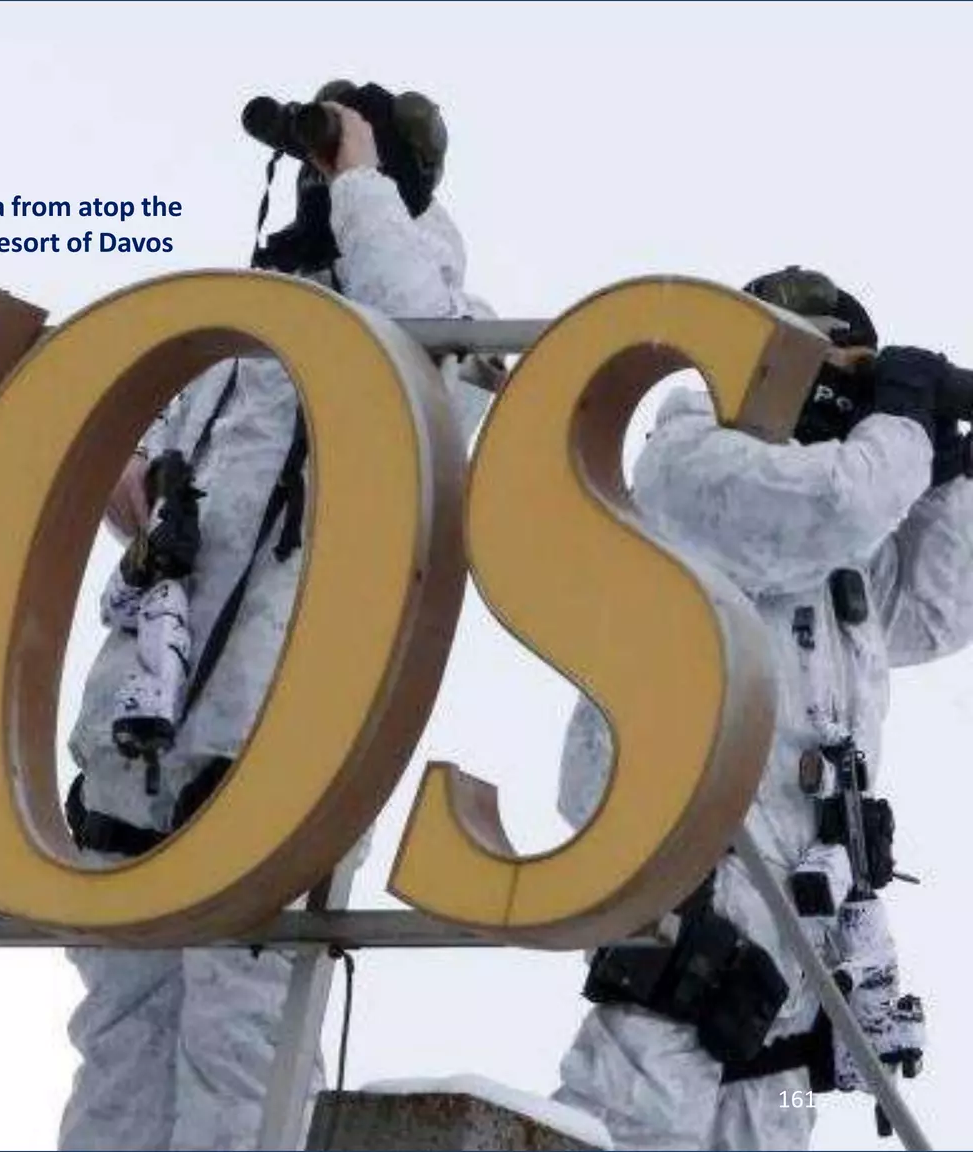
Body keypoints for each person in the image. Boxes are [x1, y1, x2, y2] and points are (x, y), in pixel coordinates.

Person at [56, 81, 498, 1152]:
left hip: (278, 748)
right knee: (115, 1046)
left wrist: (359, 188)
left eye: (334, 157)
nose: (312, 175)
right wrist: (129, 481)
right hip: (145, 739)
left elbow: (424, 370)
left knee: (241, 1058)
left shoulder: (457, 327)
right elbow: (174, 493)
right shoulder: (240, 324)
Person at [552, 267, 973, 1149]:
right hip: (692, 870)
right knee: (637, 1117)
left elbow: (936, 613)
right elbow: (835, 502)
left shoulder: (844, 546)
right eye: (832, 371)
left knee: (768, 1119)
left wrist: (951, 474)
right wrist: (900, 419)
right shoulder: (692, 459)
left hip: (799, 899)